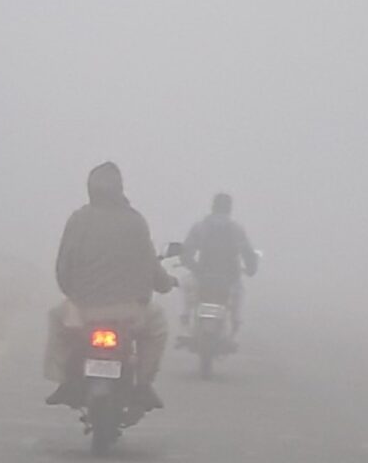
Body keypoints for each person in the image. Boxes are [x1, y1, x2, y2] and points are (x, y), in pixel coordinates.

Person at [46, 161, 176, 409]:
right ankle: (144, 385)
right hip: (129, 312)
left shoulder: (79, 220)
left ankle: (63, 381)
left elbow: (63, 266)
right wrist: (166, 284)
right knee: (157, 327)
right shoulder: (135, 222)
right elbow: (151, 266)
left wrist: (73, 294)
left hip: (83, 310)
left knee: (56, 319)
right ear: (119, 188)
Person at [180, 192, 259, 340]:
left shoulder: (200, 227)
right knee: (237, 296)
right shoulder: (237, 229)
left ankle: (185, 325)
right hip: (230, 278)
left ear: (213, 207)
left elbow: (186, 253)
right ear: (230, 209)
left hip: (202, 276)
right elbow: (248, 253)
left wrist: (194, 267)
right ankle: (234, 329)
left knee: (188, 290)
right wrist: (251, 269)